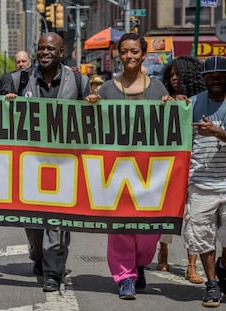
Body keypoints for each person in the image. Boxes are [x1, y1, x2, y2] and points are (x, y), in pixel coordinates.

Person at [5, 32, 90, 292]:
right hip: (29, 165)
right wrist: (6, 104)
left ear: (61, 52)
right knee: (32, 224)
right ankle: (38, 257)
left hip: (63, 166)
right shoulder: (17, 79)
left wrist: (91, 104)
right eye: (41, 48)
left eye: (50, 49)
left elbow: (92, 120)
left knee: (57, 222)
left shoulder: (78, 80)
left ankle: (54, 272)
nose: (45, 52)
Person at [86, 32, 168, 300]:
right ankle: (125, 278)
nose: (129, 56)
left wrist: (174, 105)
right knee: (120, 229)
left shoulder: (158, 89)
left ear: (144, 54)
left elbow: (171, 126)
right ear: (118, 55)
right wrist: (91, 107)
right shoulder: (107, 90)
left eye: (134, 51)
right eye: (124, 52)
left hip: (150, 173)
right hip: (116, 172)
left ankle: (140, 263)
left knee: (148, 232)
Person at [157, 56, 207, 284]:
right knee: (170, 210)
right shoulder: (166, 99)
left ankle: (191, 265)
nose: (175, 79)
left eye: (179, 74)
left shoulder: (202, 102)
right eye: (171, 75)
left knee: (194, 218)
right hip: (173, 166)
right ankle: (163, 248)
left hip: (197, 168)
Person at [183, 55, 226, 308]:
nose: (216, 79)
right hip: (200, 184)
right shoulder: (192, 104)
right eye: (211, 76)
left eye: (221, 74)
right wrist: (172, 101)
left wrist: (217, 132)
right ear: (204, 79)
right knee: (201, 236)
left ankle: (223, 269)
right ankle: (212, 283)